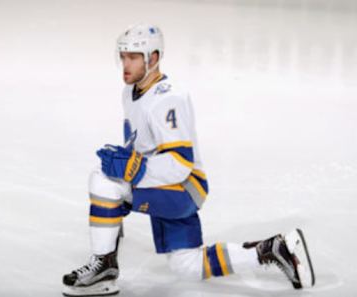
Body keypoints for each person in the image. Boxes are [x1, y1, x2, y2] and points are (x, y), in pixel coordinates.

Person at [62, 24, 315, 297]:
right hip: (164, 185)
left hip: (183, 187)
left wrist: (129, 175)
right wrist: (126, 176)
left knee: (102, 182)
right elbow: (144, 148)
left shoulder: (168, 99)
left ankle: (104, 269)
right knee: (188, 266)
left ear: (153, 58)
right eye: (123, 56)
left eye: (133, 57)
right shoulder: (131, 92)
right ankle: (275, 249)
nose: (125, 63)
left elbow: (180, 163)